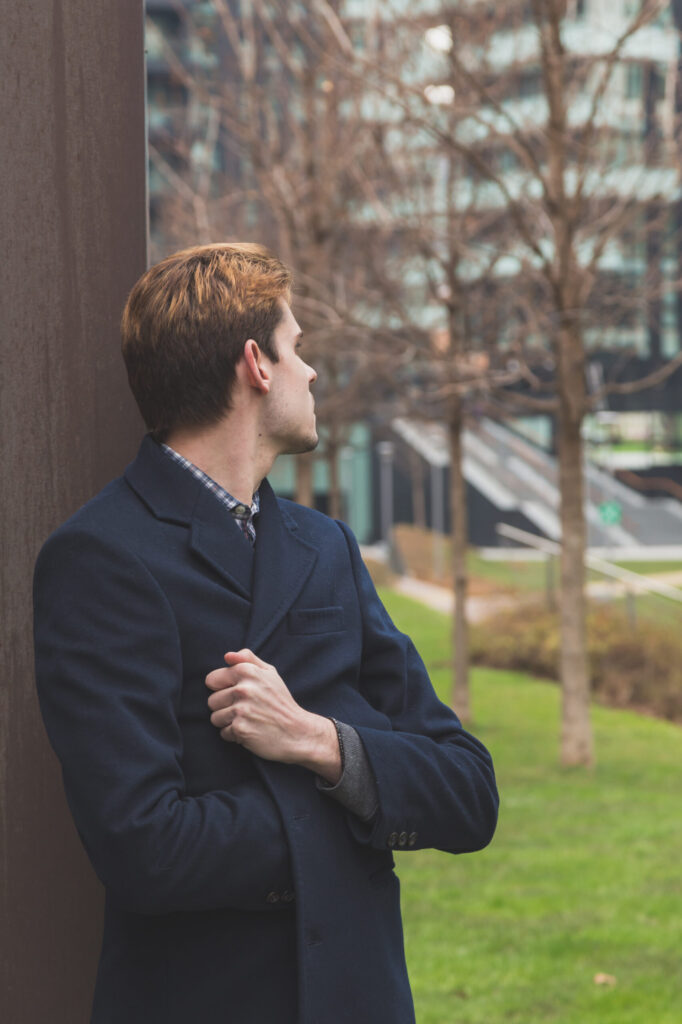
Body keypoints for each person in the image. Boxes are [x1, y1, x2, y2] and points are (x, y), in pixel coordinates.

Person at [33, 242, 499, 1024]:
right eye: (297, 348)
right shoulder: (99, 557)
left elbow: (468, 791)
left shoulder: (326, 547)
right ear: (255, 364)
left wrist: (321, 743)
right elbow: (147, 850)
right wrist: (360, 809)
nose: (311, 373)